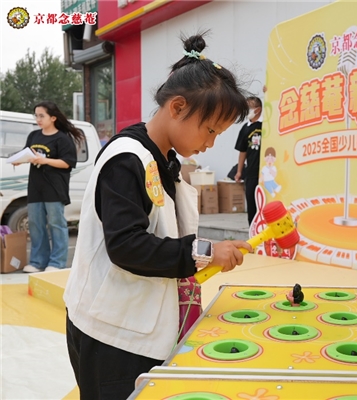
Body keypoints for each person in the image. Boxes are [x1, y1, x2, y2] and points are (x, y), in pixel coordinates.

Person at [63, 33, 253, 399]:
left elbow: (163, 234)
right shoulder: (126, 159)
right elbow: (127, 245)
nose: (211, 143)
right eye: (210, 130)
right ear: (178, 107)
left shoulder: (163, 160)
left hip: (139, 326)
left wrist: (207, 253)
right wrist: (205, 252)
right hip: (112, 336)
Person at [12, 101, 82, 273]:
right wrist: (19, 160)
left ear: (53, 118)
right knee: (35, 224)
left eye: (41, 116)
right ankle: (37, 262)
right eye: (36, 115)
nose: (38, 119)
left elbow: (68, 163)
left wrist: (44, 160)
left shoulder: (62, 139)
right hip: (35, 187)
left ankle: (57, 263)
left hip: (55, 188)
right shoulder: (34, 136)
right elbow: (27, 154)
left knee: (56, 224)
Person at [234, 96, 262, 226]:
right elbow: (242, 151)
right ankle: (253, 230)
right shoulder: (245, 128)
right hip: (251, 172)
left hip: (265, 173)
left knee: (264, 203)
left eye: (249, 107)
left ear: (258, 109)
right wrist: (239, 171)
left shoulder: (266, 125)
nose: (246, 110)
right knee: (251, 204)